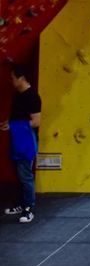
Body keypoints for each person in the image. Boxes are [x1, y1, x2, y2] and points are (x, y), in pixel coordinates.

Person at [1, 64, 42, 223]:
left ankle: (29, 208)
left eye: (12, 78)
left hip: (27, 141)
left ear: (21, 78)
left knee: (25, 175)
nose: (11, 81)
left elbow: (36, 122)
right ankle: (20, 204)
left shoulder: (32, 96)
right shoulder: (17, 95)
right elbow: (18, 118)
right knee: (18, 174)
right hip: (16, 140)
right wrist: (8, 123)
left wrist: (14, 126)